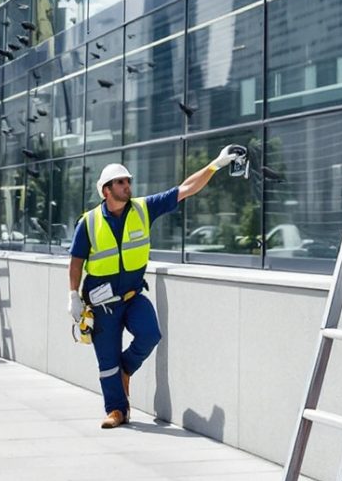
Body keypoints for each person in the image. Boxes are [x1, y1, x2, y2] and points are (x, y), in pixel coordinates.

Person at [68, 147, 246, 427]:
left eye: (128, 181)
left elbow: (185, 189)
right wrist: (72, 295)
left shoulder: (143, 208)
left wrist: (216, 164)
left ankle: (126, 368)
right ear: (106, 190)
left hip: (132, 296)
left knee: (150, 334)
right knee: (107, 362)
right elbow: (76, 261)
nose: (127, 186)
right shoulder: (89, 222)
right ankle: (117, 411)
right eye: (120, 182)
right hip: (102, 305)